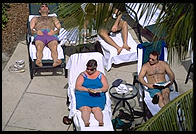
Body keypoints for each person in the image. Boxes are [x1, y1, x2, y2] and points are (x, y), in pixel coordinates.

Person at [75, 59, 109, 127]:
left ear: (95, 68)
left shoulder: (100, 75)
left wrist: (98, 90)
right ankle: (86, 122)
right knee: (85, 108)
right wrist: (88, 90)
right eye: (88, 69)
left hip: (97, 95)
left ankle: (101, 122)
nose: (89, 71)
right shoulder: (83, 75)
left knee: (97, 109)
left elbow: (105, 87)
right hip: (84, 94)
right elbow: (78, 87)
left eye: (91, 70)